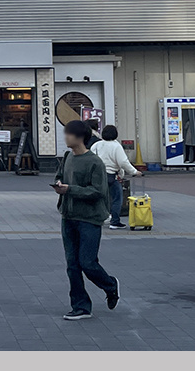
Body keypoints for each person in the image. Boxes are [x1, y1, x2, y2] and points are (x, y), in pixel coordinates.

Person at [54, 120, 120, 320]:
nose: (66, 137)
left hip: (89, 218)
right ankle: (81, 306)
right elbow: (60, 176)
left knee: (87, 262)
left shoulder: (94, 162)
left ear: (80, 137)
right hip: (69, 216)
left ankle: (110, 285)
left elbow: (99, 191)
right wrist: (58, 184)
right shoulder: (67, 157)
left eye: (69, 134)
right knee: (72, 264)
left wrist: (70, 189)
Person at [91, 125, 142, 229]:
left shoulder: (96, 145)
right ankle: (115, 221)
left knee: (100, 197)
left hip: (97, 176)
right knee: (117, 198)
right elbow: (123, 162)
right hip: (111, 175)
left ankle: (99, 218)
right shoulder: (116, 146)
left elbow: (90, 159)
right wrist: (134, 171)